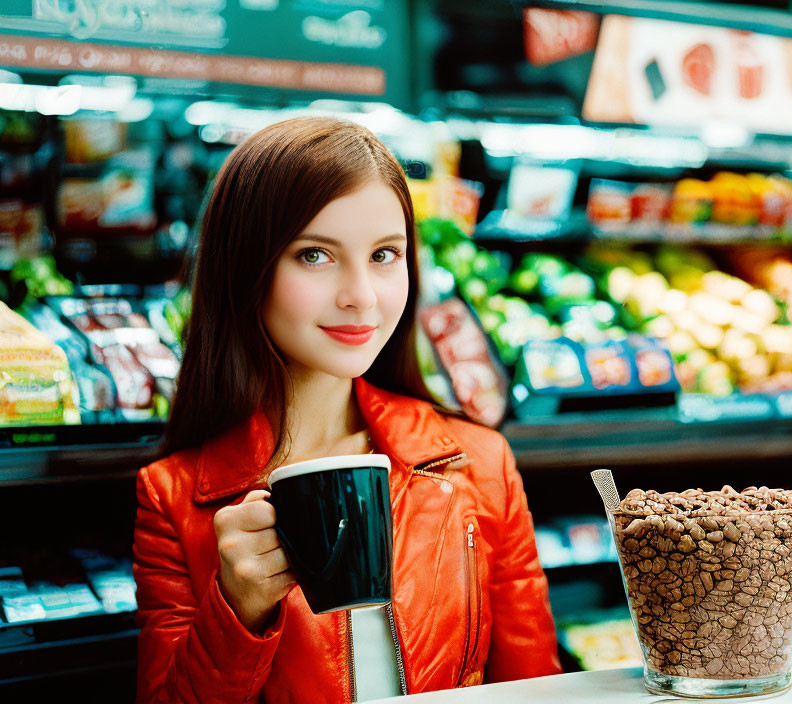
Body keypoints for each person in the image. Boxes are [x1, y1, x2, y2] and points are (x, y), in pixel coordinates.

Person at [132, 116, 561, 704]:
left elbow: (536, 690)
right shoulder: (173, 498)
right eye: (315, 256)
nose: (361, 293)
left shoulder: (480, 465)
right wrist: (235, 611)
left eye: (385, 254)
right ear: (245, 267)